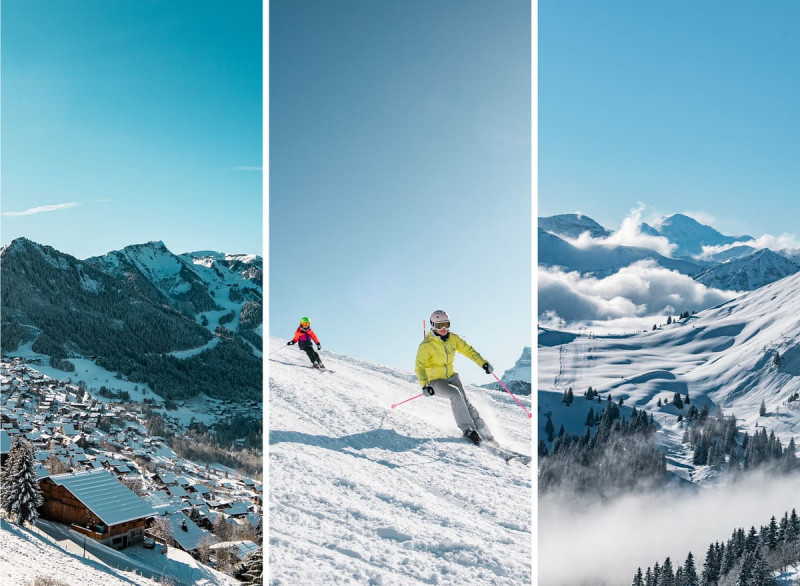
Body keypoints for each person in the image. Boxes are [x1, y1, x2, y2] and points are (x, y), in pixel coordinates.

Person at [415, 310, 494, 445]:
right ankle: (468, 430)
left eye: (446, 324)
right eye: (440, 326)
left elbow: (469, 351)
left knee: (466, 402)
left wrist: (483, 363)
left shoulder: (453, 338)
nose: (444, 328)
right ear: (433, 325)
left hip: (452, 376)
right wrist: (425, 385)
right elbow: (420, 367)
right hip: (435, 381)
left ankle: (487, 435)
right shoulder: (426, 345)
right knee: (455, 394)